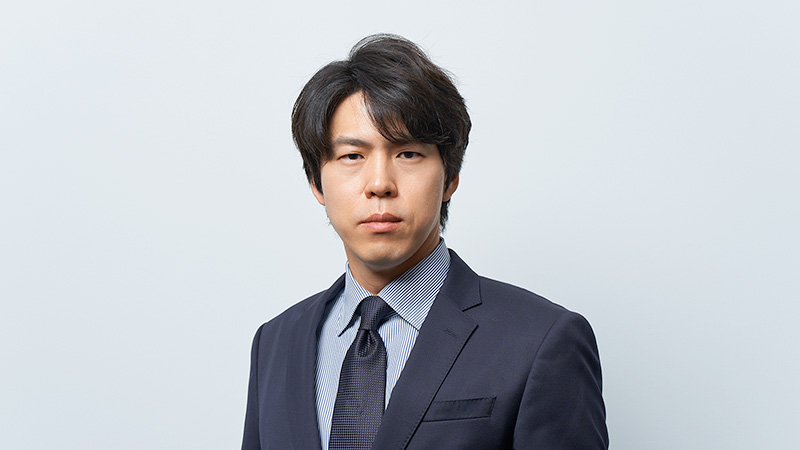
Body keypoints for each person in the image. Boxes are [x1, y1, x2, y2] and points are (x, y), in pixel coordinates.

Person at [241, 34, 608, 450]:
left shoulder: (541, 340)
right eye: (352, 156)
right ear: (316, 182)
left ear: (450, 177)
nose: (379, 183)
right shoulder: (275, 343)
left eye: (408, 154)